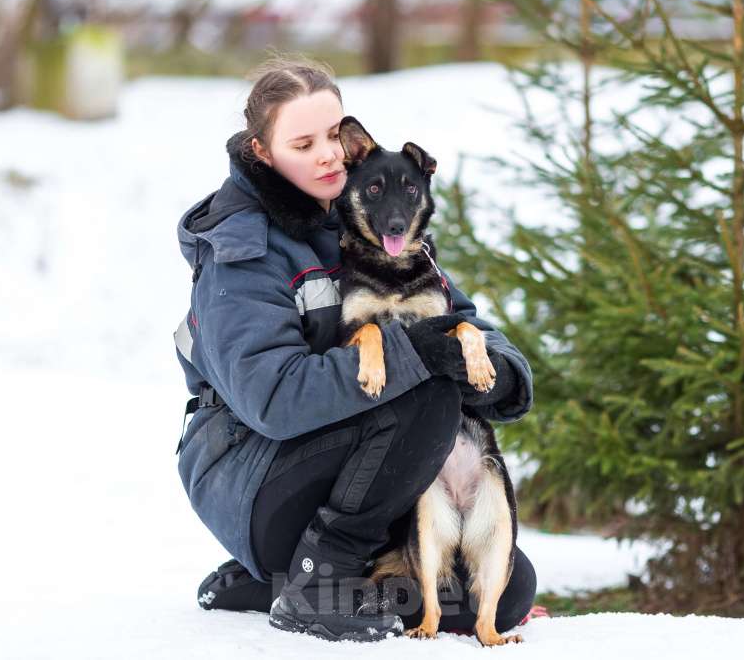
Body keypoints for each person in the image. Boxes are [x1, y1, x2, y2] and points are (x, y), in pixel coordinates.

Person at [173, 56, 536, 643]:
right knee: (427, 396)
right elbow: (273, 398)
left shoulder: (369, 216)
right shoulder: (241, 251)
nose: (328, 156)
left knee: (508, 593)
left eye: (333, 135)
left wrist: (500, 374)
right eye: (303, 144)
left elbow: (460, 321)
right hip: (252, 476)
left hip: (364, 469)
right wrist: (417, 354)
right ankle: (315, 583)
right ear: (262, 152)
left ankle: (273, 584)